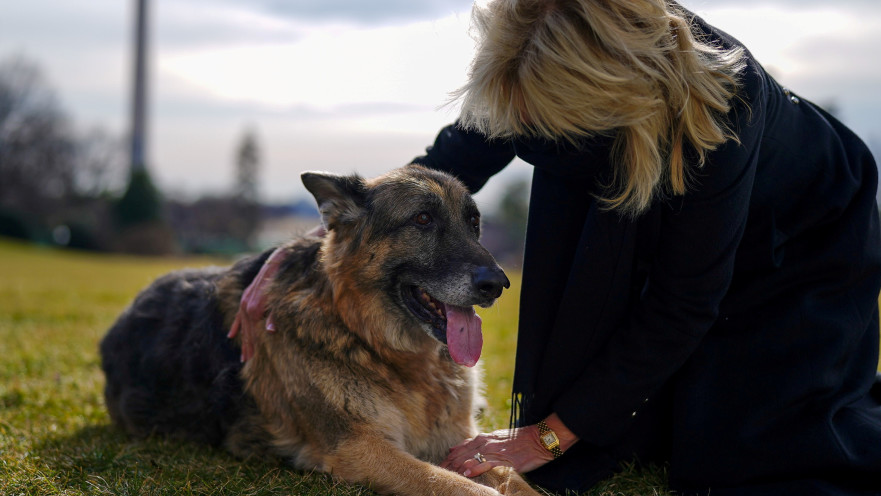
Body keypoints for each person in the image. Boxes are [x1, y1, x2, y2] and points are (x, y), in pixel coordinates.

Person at [230, 0, 881, 494]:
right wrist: (301, 253)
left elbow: (685, 298)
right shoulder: (531, 46)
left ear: (603, 96)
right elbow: (437, 167)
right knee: (619, 439)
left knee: (747, 456)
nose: (525, 131)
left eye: (543, 123)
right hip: (651, 188)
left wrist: (546, 436)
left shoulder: (719, 111)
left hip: (798, 236)